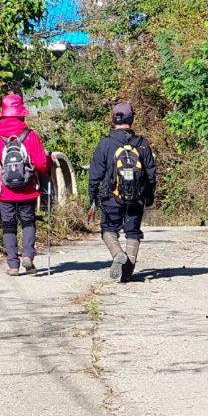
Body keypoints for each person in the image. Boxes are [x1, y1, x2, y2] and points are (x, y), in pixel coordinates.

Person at [0, 94, 51, 276]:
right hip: (27, 189)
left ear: (3, 114)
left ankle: (13, 265)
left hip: (3, 190)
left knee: (9, 225)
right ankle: (28, 255)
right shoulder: (30, 136)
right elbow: (42, 164)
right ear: (21, 114)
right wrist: (49, 162)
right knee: (28, 222)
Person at [88, 102, 157, 283]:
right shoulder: (142, 144)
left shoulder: (105, 144)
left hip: (112, 196)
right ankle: (127, 273)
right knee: (133, 232)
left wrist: (93, 195)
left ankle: (118, 253)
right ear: (131, 120)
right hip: (137, 197)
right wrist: (149, 195)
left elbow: (95, 173)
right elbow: (150, 172)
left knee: (109, 229)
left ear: (113, 120)